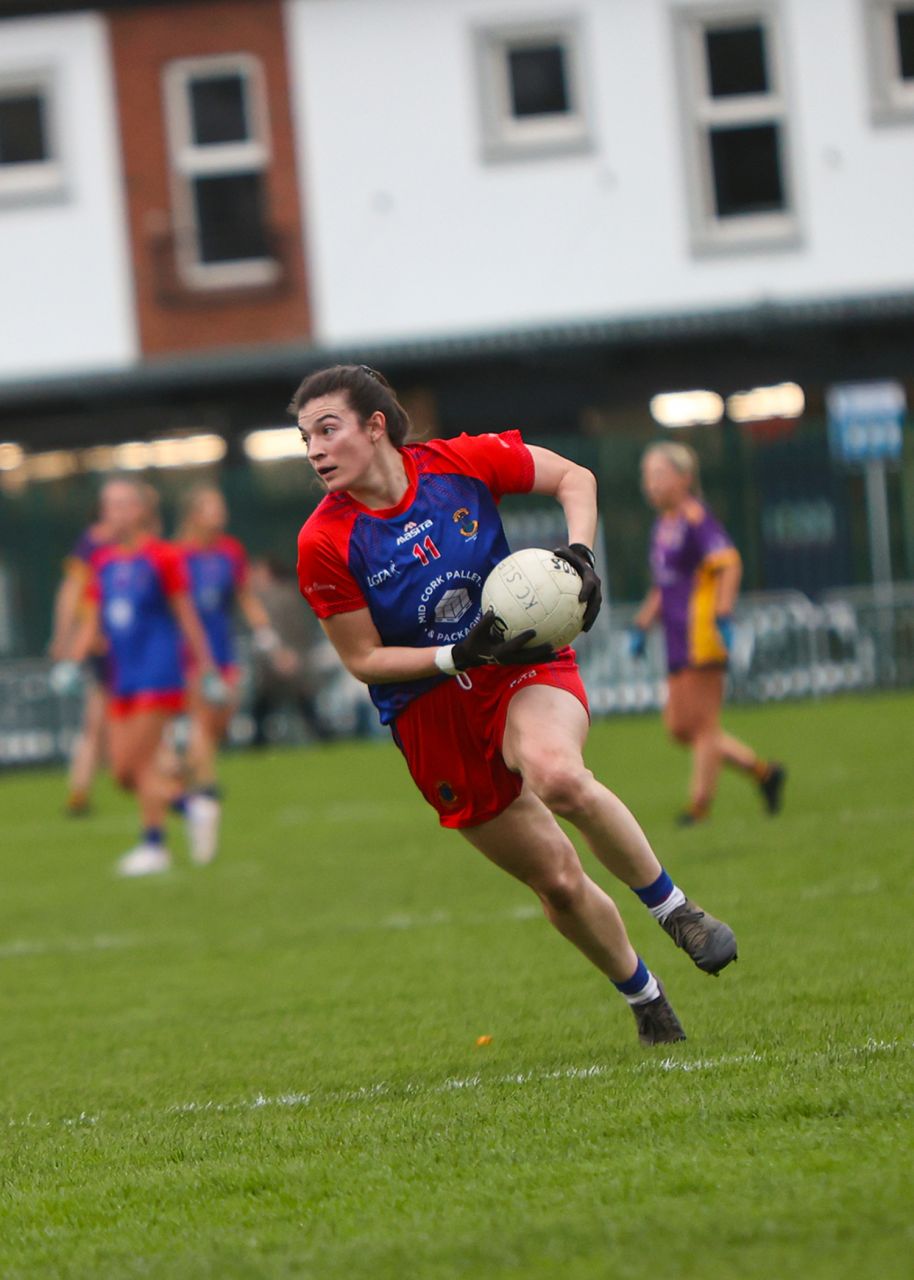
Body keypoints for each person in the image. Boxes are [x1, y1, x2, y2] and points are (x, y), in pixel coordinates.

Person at [294, 364, 738, 1048]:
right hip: (429, 711)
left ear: (375, 426)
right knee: (557, 881)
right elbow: (364, 660)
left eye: (328, 430)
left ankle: (678, 911)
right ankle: (646, 999)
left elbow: (574, 478)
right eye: (305, 440)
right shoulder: (324, 541)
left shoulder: (456, 464)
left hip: (520, 667)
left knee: (558, 775)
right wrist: (454, 656)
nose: (316, 450)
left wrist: (581, 556)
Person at [55, 478, 227, 876]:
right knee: (125, 771)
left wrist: (207, 669)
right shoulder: (103, 562)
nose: (112, 513)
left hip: (159, 674)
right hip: (122, 676)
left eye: (121, 504)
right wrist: (70, 661)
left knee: (137, 763)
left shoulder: (163, 557)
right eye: (107, 505)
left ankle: (156, 843)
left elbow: (187, 618)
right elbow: (92, 624)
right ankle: (186, 811)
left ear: (140, 511)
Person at [630, 441, 786, 826]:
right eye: (646, 476)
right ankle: (764, 772)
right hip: (676, 635)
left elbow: (729, 564)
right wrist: (642, 624)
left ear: (685, 478)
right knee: (679, 727)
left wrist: (723, 614)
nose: (651, 484)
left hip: (701, 632)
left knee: (702, 727)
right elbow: (664, 585)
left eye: (659, 475)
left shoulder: (696, 519)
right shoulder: (662, 526)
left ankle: (698, 807)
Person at [175, 486, 282, 860]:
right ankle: (206, 790)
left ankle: (183, 778)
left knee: (220, 721)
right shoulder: (176, 556)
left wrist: (265, 632)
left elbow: (245, 596)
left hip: (223, 651)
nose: (220, 513)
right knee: (202, 721)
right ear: (193, 513)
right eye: (211, 506)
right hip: (186, 654)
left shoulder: (229, 551)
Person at [49, 500, 113, 815]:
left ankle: (80, 790)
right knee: (98, 719)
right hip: (104, 643)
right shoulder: (94, 544)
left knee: (100, 721)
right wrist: (65, 639)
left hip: (119, 641)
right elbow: (72, 592)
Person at [247, 556, 336, 746]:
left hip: (283, 659)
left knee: (271, 705)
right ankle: (324, 737)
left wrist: (282, 653)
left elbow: (278, 629)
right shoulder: (293, 594)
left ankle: (258, 744)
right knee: (298, 703)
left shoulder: (272, 597)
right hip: (293, 657)